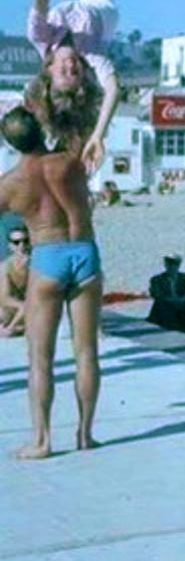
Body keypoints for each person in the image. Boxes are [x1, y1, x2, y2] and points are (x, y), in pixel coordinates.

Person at [0, 106, 103, 458]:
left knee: (40, 359)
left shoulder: (10, 183)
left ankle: (42, 441)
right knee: (86, 352)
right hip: (85, 253)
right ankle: (85, 434)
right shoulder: (71, 162)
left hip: (47, 257)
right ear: (39, 130)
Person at [24, 0, 120, 171]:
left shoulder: (40, 37)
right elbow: (113, 88)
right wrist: (98, 135)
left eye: (64, 71)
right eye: (76, 72)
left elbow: (42, 3)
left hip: (76, 12)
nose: (71, 65)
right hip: (102, 13)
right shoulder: (91, 54)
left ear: (48, 69)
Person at [147, 254, 185, 335]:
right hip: (166, 306)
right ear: (166, 265)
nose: (172, 267)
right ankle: (169, 326)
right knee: (161, 304)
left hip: (182, 304)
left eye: (174, 264)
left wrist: (184, 298)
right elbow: (156, 293)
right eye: (169, 264)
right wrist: (171, 300)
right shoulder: (157, 279)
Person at [0, 223, 31, 337]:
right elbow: (4, 298)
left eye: (25, 241)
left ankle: (14, 328)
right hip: (11, 308)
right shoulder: (5, 267)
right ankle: (12, 328)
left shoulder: (36, 264)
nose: (21, 245)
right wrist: (22, 306)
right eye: (16, 242)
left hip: (26, 308)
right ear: (10, 246)